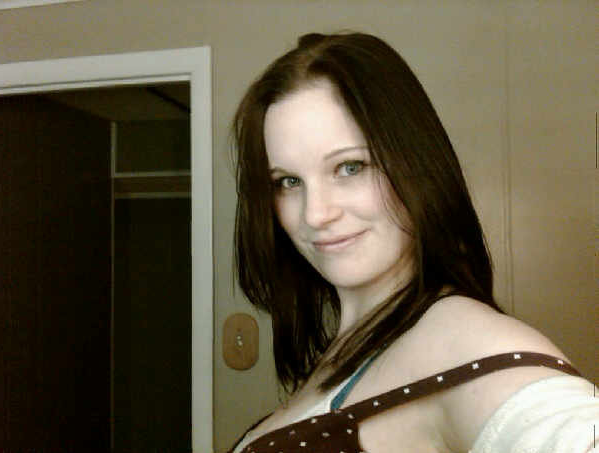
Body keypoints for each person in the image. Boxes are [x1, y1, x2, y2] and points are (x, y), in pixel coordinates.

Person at [229, 32, 598, 453]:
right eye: (288, 182)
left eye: (350, 167)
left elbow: (557, 425)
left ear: (415, 163)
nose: (315, 214)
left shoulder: (464, 337)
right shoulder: (349, 348)